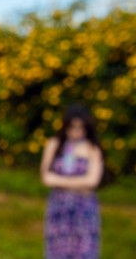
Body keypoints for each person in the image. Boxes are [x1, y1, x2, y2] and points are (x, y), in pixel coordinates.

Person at [40, 104, 104, 259]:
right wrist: (79, 183)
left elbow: (92, 181)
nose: (76, 132)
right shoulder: (54, 145)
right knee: (57, 252)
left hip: (84, 209)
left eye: (80, 127)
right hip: (58, 207)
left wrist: (59, 181)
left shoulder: (92, 149)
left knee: (83, 251)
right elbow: (46, 177)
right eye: (72, 127)